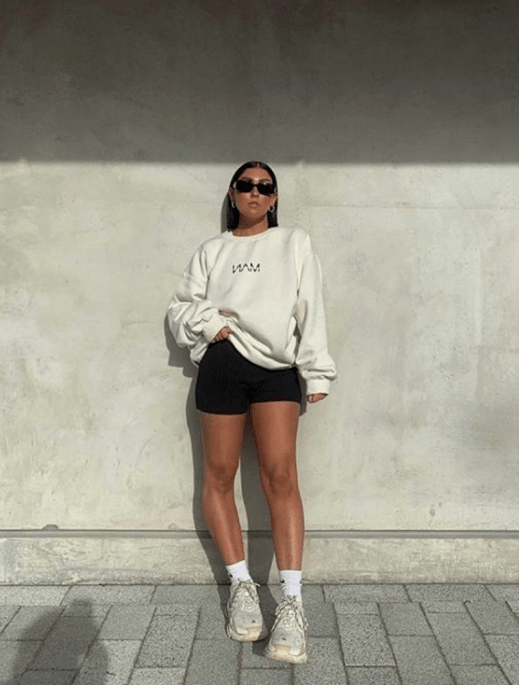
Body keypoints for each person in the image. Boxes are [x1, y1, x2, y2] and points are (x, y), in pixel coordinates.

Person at [167, 161, 336, 664]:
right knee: (218, 474)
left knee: (280, 476)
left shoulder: (294, 243)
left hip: (276, 370)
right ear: (233, 193)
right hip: (221, 366)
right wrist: (208, 321)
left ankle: (291, 603)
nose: (256, 193)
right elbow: (180, 307)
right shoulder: (212, 249)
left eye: (265, 187)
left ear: (275, 197)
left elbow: (311, 306)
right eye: (247, 186)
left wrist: (318, 371)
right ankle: (241, 586)